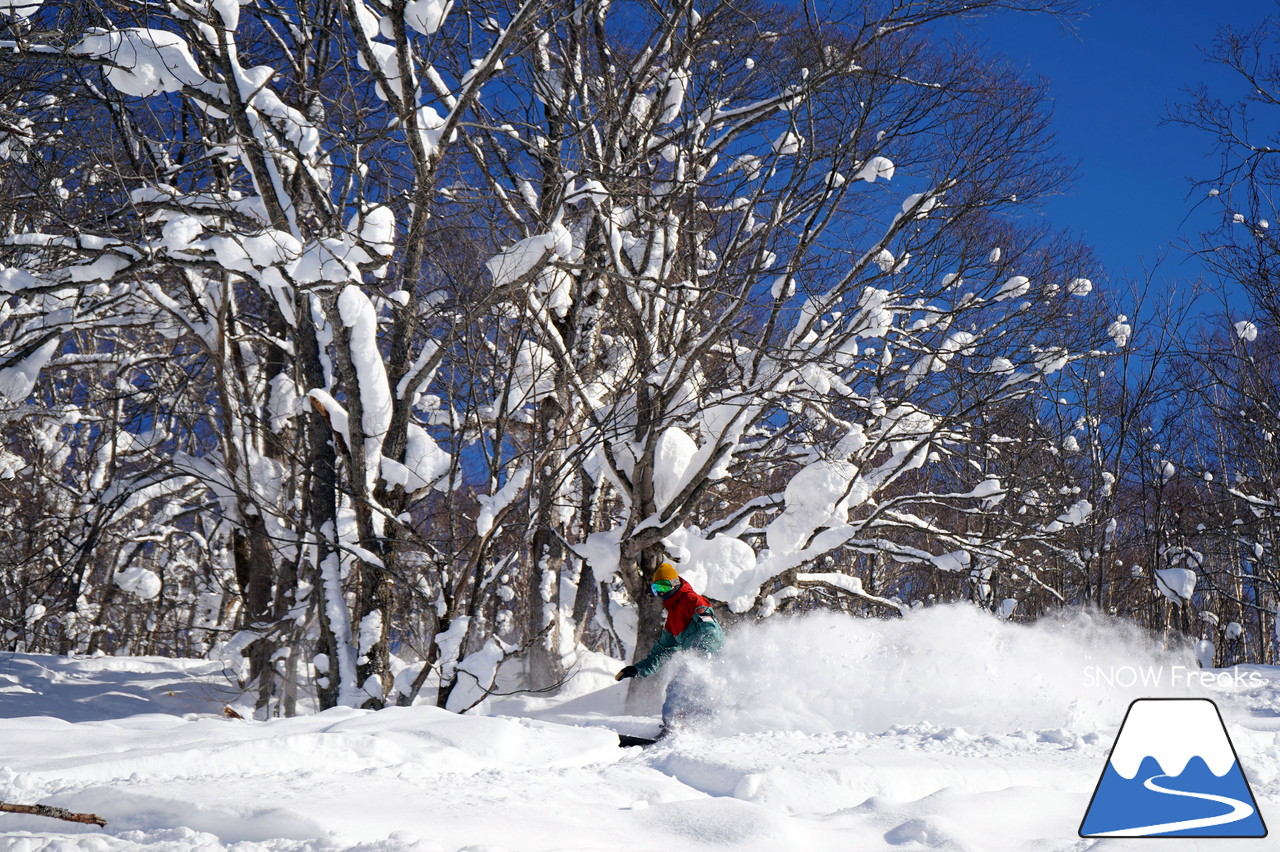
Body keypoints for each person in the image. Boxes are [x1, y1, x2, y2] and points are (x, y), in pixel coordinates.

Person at [616, 562, 725, 731]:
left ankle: (675, 728)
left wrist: (706, 653)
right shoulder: (672, 620)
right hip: (697, 661)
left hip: (710, 657)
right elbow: (660, 653)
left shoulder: (692, 600)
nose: (660, 592)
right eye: (655, 588)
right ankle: (697, 729)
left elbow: (711, 628)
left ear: (674, 584)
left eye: (663, 586)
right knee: (692, 695)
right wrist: (637, 669)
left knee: (679, 690)